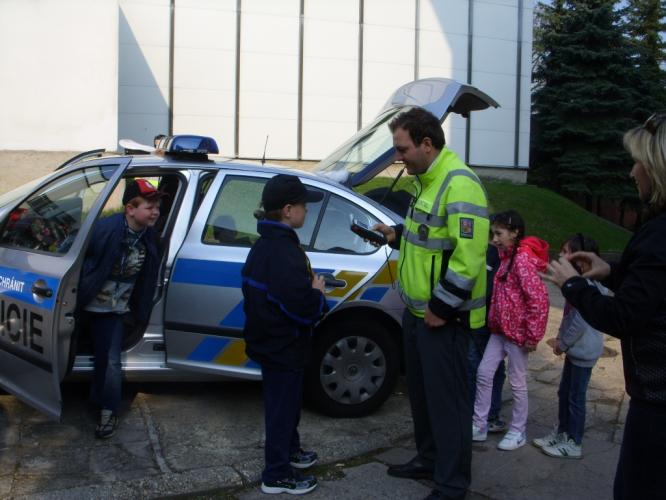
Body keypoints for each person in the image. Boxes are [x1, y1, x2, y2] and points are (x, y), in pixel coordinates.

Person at [543, 113, 666, 499]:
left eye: (638, 162)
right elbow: (652, 290)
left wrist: (574, 285)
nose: (632, 172)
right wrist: (608, 272)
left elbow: (626, 315)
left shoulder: (659, 235)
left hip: (658, 406)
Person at [375, 107, 489, 500]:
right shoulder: (426, 178)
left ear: (427, 144)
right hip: (419, 314)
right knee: (423, 398)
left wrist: (441, 308)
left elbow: (468, 258)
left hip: (445, 320)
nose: (397, 157)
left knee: (449, 405)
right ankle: (428, 459)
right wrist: (396, 233)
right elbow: (429, 234)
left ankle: (452, 484)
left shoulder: (461, 184)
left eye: (402, 148)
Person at [241, 174, 328, 496]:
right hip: (283, 346)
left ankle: (290, 451)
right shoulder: (282, 252)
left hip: (275, 343)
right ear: (289, 210)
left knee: (288, 405)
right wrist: (317, 294)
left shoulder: (269, 244)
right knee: (281, 410)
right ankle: (276, 474)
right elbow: (299, 306)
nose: (307, 211)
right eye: (304, 206)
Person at [78, 178, 164, 438]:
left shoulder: (149, 237)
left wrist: (139, 312)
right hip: (85, 304)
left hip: (114, 310)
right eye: (150, 206)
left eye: (157, 206)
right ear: (130, 209)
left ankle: (107, 409)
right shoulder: (104, 230)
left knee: (110, 360)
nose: (156, 211)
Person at [472, 210, 549, 451]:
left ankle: (518, 431)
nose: (493, 239)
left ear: (515, 233)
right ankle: (480, 424)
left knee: (517, 383)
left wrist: (532, 335)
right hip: (499, 330)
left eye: (498, 234)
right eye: (492, 234)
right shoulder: (506, 258)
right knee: (484, 373)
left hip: (517, 335)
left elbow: (538, 300)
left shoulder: (522, 261)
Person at [534, 233, 607, 459]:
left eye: (566, 252)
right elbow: (568, 318)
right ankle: (562, 432)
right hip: (575, 351)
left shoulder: (587, 288)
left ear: (582, 261)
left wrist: (562, 343)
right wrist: (560, 338)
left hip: (583, 351)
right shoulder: (576, 286)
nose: (560, 255)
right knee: (565, 392)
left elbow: (578, 322)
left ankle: (573, 441)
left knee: (575, 397)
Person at [468, 244, 507, 434]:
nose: (496, 239)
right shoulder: (496, 253)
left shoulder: (498, 255)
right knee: (480, 367)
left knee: (487, 368)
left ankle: (487, 416)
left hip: (488, 321)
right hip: (481, 319)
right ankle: (483, 416)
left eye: (499, 234)